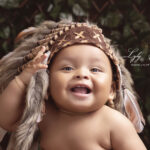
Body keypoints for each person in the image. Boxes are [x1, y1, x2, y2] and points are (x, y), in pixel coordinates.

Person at [0, 20, 147, 150]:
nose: (82, 74)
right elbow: (6, 119)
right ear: (47, 83)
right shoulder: (45, 115)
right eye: (67, 68)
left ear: (112, 90)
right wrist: (22, 80)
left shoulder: (114, 123)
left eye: (95, 69)